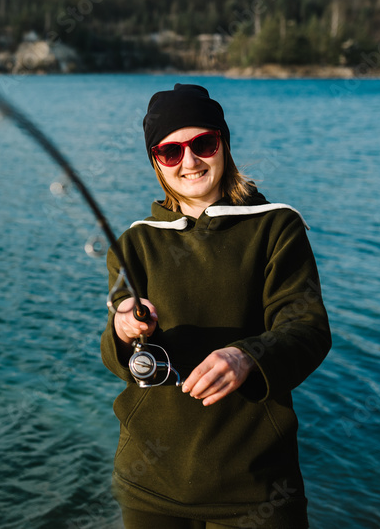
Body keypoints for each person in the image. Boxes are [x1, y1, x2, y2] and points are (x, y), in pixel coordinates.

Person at [101, 83, 331, 529]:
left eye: (203, 144)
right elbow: (120, 359)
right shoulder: (134, 242)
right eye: (171, 152)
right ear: (156, 161)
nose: (189, 162)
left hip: (256, 487)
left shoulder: (277, 228)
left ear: (224, 143)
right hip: (150, 487)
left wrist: (247, 356)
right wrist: (123, 329)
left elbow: (307, 329)